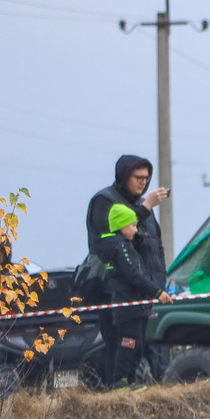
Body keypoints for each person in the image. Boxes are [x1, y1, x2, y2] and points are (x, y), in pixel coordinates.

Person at [95, 202, 165, 387]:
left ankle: (132, 380)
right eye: (132, 226)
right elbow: (133, 275)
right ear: (121, 226)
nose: (136, 230)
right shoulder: (121, 247)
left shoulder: (127, 245)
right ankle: (120, 380)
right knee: (129, 342)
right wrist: (157, 291)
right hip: (127, 304)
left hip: (137, 304)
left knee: (138, 345)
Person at [85, 155, 167, 263]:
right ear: (125, 176)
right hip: (116, 272)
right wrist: (145, 207)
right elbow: (112, 241)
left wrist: (161, 272)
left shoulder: (145, 205)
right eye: (139, 178)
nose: (143, 182)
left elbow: (157, 246)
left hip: (147, 273)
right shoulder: (104, 200)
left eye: (146, 178)